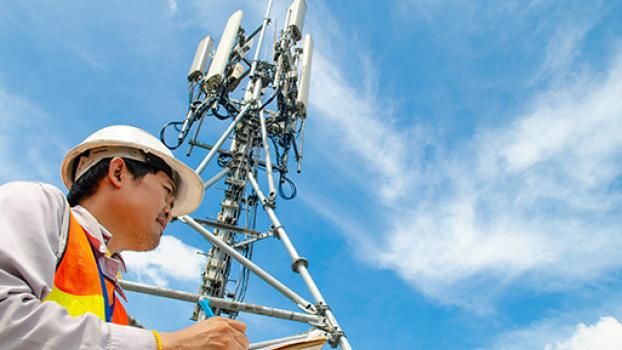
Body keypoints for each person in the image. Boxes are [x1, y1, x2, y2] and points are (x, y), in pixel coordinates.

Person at [0, 125, 249, 350]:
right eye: (166, 191)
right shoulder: (36, 202)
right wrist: (171, 344)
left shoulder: (113, 307)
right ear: (118, 172)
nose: (169, 211)